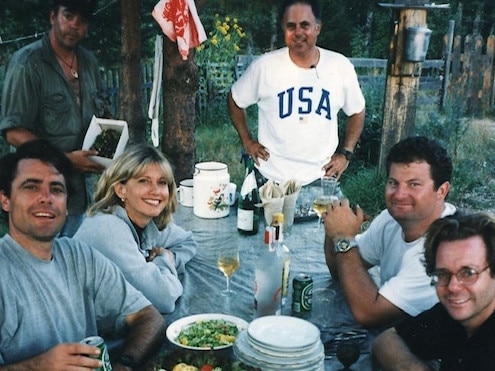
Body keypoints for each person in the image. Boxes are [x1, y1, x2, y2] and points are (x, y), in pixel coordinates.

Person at [0, 139, 165, 369]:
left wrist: (125, 364)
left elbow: (149, 317)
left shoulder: (79, 257)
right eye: (31, 186)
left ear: (66, 205)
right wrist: (39, 366)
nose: (46, 198)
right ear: (5, 199)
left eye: (56, 189)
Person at [0, 0, 111, 237]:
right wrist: (66, 159)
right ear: (53, 17)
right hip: (41, 194)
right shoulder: (27, 63)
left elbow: (101, 115)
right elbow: (14, 132)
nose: (74, 25)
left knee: (81, 261)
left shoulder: (89, 62)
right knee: (42, 263)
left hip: (87, 192)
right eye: (68, 16)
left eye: (81, 21)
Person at [227, 0, 365, 186]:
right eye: (291, 26)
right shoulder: (265, 66)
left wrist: (346, 154)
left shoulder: (339, 66)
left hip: (320, 176)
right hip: (270, 176)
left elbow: (357, 110)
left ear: (318, 27)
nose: (298, 32)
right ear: (284, 29)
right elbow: (235, 99)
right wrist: (247, 141)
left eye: (305, 25)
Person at [323, 136, 456, 327]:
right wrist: (334, 227)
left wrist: (344, 239)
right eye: (393, 183)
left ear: (441, 191)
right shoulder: (390, 219)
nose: (399, 195)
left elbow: (368, 314)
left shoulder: (444, 248)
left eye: (414, 184)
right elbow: (340, 270)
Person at [74, 144, 197, 314]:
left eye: (162, 183)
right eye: (144, 181)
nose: (156, 191)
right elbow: (164, 299)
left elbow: (187, 242)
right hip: (78, 331)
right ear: (120, 189)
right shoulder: (108, 229)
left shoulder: (145, 220)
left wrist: (170, 258)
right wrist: (162, 260)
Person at [373, 212, 495, 370]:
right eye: (443, 274)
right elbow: (386, 340)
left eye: (468, 273)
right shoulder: (455, 315)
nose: (452, 287)